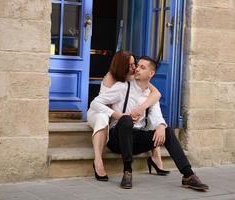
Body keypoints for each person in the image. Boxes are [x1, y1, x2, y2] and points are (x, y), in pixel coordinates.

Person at [90, 56, 209, 191]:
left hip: (136, 138)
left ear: (151, 74)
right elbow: (95, 103)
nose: (137, 69)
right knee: (126, 120)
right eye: (137, 65)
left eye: (142, 67)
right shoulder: (122, 87)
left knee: (167, 131)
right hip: (117, 138)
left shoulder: (150, 96)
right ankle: (127, 171)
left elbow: (157, 116)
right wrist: (118, 115)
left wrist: (161, 126)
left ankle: (188, 175)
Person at [87, 51, 169, 181]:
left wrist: (139, 110)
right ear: (121, 66)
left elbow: (156, 94)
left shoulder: (133, 77)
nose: (134, 68)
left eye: (134, 64)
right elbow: (99, 104)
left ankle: (155, 154)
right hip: (99, 110)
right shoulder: (111, 77)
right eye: (130, 65)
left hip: (118, 116)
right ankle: (98, 160)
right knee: (103, 119)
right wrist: (120, 116)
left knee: (149, 112)